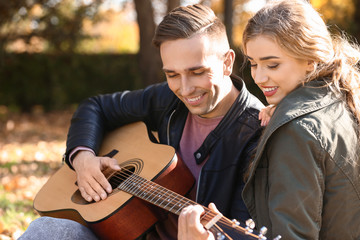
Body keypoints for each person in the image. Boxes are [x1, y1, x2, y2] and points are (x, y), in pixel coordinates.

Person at [20, 4, 264, 240]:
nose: (185, 89)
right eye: (172, 75)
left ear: (227, 63)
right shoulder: (167, 99)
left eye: (197, 72)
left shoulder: (257, 134)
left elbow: (243, 231)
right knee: (48, 230)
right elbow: (95, 107)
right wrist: (83, 158)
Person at [179, 0, 360, 239]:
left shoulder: (295, 130)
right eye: (253, 64)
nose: (259, 77)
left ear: (310, 60)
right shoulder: (342, 98)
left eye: (272, 65)